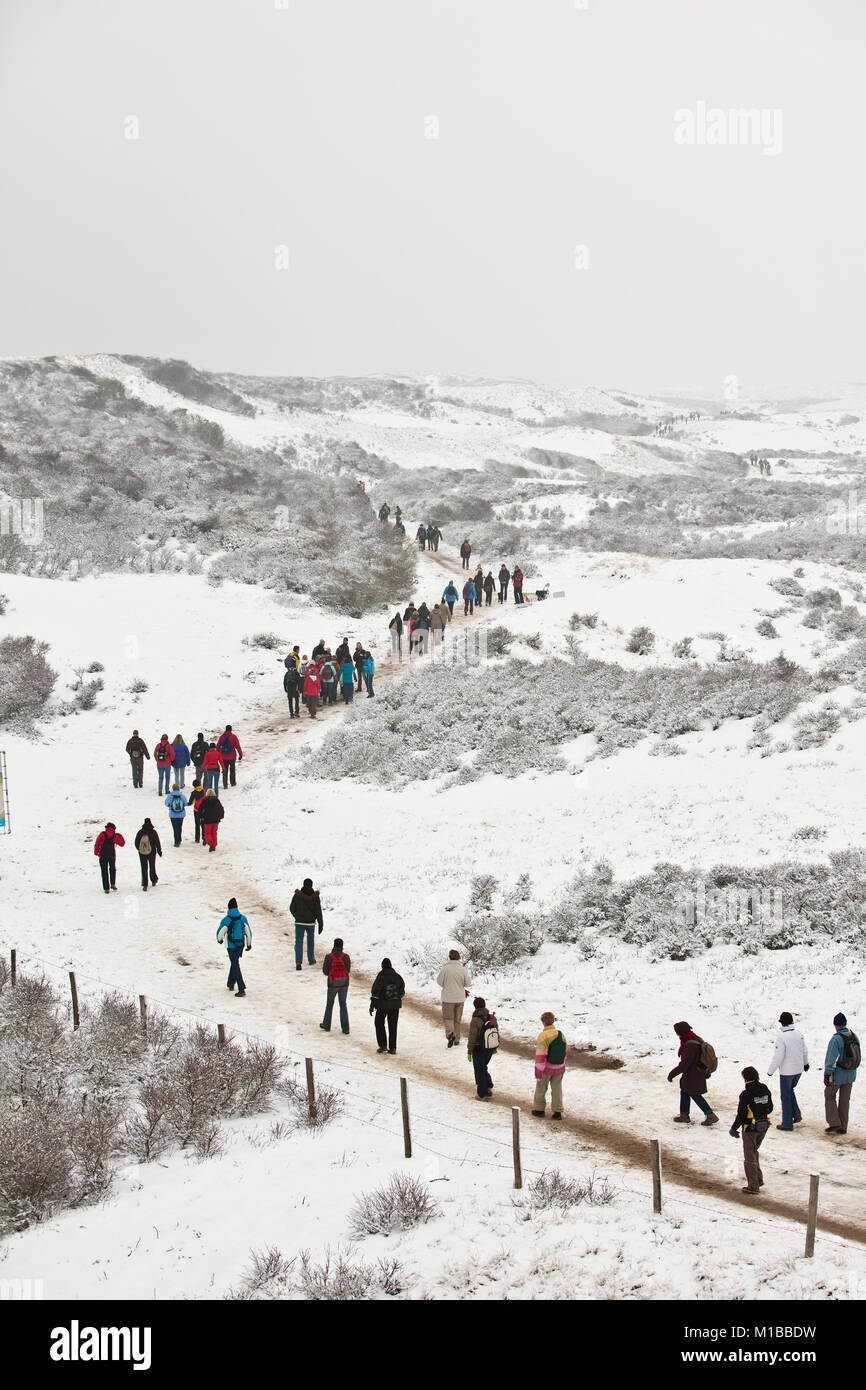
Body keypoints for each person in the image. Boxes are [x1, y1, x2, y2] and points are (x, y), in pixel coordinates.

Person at [729, 1066, 773, 1195]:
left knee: (749, 1155)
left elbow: (741, 1114)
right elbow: (770, 1107)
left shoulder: (746, 1094)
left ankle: (753, 1185)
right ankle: (758, 1179)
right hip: (763, 1126)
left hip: (749, 1128)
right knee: (754, 1151)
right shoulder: (764, 1088)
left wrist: (733, 1128)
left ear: (745, 1078)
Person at [667, 1021, 719, 1125]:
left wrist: (672, 1074)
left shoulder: (689, 1045)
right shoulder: (695, 1039)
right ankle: (684, 1115)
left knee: (695, 1094)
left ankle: (710, 1115)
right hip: (697, 1073)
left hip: (693, 1075)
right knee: (685, 1091)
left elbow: (685, 1064)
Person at [767, 1012, 809, 1131]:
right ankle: (796, 1113)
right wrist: (805, 1063)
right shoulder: (799, 1034)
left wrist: (771, 1070)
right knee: (790, 1090)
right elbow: (805, 1050)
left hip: (787, 1071)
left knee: (785, 1095)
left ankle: (787, 1123)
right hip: (799, 1069)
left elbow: (778, 1056)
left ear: (782, 1023)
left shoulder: (782, 1037)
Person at [824, 1012, 860, 1135]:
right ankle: (843, 1126)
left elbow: (830, 1059)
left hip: (838, 1075)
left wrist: (827, 1074)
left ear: (835, 1025)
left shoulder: (836, 1039)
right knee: (845, 1100)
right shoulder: (854, 1037)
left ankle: (834, 1123)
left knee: (829, 1095)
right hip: (851, 1074)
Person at [531, 1012, 568, 1119]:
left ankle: (539, 1109)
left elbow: (541, 1055)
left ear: (543, 1022)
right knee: (557, 1088)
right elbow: (565, 1051)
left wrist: (538, 1070)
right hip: (559, 1067)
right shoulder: (561, 1034)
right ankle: (557, 1112)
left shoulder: (543, 1035)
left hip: (547, 1068)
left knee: (541, 1087)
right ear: (553, 1021)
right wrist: (562, 1064)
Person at [217, 897, 252, 998]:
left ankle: (241, 988)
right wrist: (249, 944)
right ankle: (230, 983)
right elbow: (248, 932)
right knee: (235, 962)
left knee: (235, 964)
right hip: (240, 945)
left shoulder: (227, 919)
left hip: (231, 946)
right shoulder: (243, 918)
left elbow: (221, 932)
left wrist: (219, 940)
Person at [369, 957, 405, 1054]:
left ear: (382, 966)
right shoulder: (398, 977)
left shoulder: (380, 977)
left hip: (382, 1005)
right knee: (393, 1026)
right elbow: (402, 992)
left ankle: (383, 1045)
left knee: (379, 1023)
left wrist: (372, 1005)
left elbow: (375, 992)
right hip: (395, 1005)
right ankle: (393, 1048)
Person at [437, 949, 471, 1047]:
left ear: (449, 957)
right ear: (459, 957)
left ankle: (450, 1034)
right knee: (457, 1019)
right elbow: (468, 983)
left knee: (448, 1018)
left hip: (448, 998)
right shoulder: (463, 969)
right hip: (460, 998)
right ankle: (457, 1039)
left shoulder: (445, 969)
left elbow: (439, 982)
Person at [290, 877, 323, 970]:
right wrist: (321, 923)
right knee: (310, 941)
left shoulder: (297, 895)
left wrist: (296, 916)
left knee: (299, 942)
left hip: (299, 922)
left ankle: (298, 962)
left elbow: (292, 908)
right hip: (311, 923)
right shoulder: (315, 897)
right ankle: (311, 959)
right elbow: (318, 911)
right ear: (311, 885)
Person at [467, 997, 497, 1100]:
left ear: (475, 1007)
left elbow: (472, 1037)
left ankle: (482, 1093)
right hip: (490, 1048)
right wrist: (495, 1047)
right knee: (483, 1067)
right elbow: (496, 1032)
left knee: (479, 1070)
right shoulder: (492, 1018)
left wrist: (469, 1051)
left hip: (478, 1048)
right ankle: (488, 1085)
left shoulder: (475, 1020)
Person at [320, 938, 351, 1034]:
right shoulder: (345, 957)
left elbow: (325, 972)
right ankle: (345, 1028)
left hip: (332, 984)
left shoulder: (329, 957)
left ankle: (326, 1024)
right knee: (343, 1004)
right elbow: (348, 970)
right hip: (344, 984)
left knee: (329, 1004)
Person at [94, 822, 125, 893]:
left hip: (102, 855)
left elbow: (97, 843)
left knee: (104, 871)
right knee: (112, 869)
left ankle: (106, 888)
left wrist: (96, 853)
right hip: (112, 856)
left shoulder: (102, 834)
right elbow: (122, 843)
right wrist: (119, 835)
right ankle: (113, 884)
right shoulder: (114, 836)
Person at [134, 817, 162, 890]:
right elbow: (157, 843)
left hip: (142, 853)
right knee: (152, 866)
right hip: (152, 852)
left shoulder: (140, 832)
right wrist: (159, 851)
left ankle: (145, 884)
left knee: (144, 867)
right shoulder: (153, 832)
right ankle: (153, 880)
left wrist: (139, 849)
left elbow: (136, 842)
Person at [199, 788, 224, 852]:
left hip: (207, 819)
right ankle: (214, 845)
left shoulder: (205, 800)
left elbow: (200, 809)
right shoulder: (216, 800)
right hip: (216, 820)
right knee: (214, 832)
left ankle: (210, 843)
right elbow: (221, 809)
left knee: (207, 832)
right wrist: (220, 816)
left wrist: (201, 816)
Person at [187, 780, 207, 845]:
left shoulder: (194, 792)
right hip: (204, 810)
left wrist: (185, 804)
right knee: (203, 824)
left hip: (197, 810)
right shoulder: (204, 791)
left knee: (197, 824)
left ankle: (197, 839)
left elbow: (190, 803)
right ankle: (204, 837)